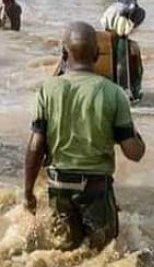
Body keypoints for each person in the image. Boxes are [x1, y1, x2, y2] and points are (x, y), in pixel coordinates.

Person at [23, 22, 145, 251]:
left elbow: (35, 146)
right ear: (98, 54)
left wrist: (28, 192)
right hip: (96, 190)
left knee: (64, 251)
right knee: (103, 255)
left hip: (59, 188)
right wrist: (138, 139)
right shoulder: (113, 93)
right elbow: (133, 152)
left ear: (64, 53)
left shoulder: (47, 89)